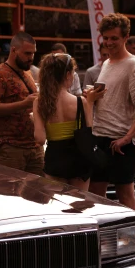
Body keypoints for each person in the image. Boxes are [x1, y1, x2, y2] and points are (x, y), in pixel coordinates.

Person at [88, 14, 135, 211]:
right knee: (95, 191)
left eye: (114, 38)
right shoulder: (108, 63)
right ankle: (102, 236)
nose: (109, 42)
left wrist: (127, 138)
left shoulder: (134, 66)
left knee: (125, 193)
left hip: (119, 142)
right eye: (106, 38)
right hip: (100, 137)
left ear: (126, 37)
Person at [33, 53, 105, 190]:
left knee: (57, 206)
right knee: (79, 204)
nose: (73, 76)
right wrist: (90, 103)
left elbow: (40, 139)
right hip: (79, 159)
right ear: (67, 74)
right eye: (73, 72)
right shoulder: (80, 102)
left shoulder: (40, 102)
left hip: (55, 159)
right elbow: (89, 128)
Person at [0, 32, 44, 175]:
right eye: (27, 53)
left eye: (33, 54)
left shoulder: (27, 73)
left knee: (38, 194)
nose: (31, 58)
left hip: (34, 147)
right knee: (10, 193)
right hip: (10, 148)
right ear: (14, 50)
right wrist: (23, 104)